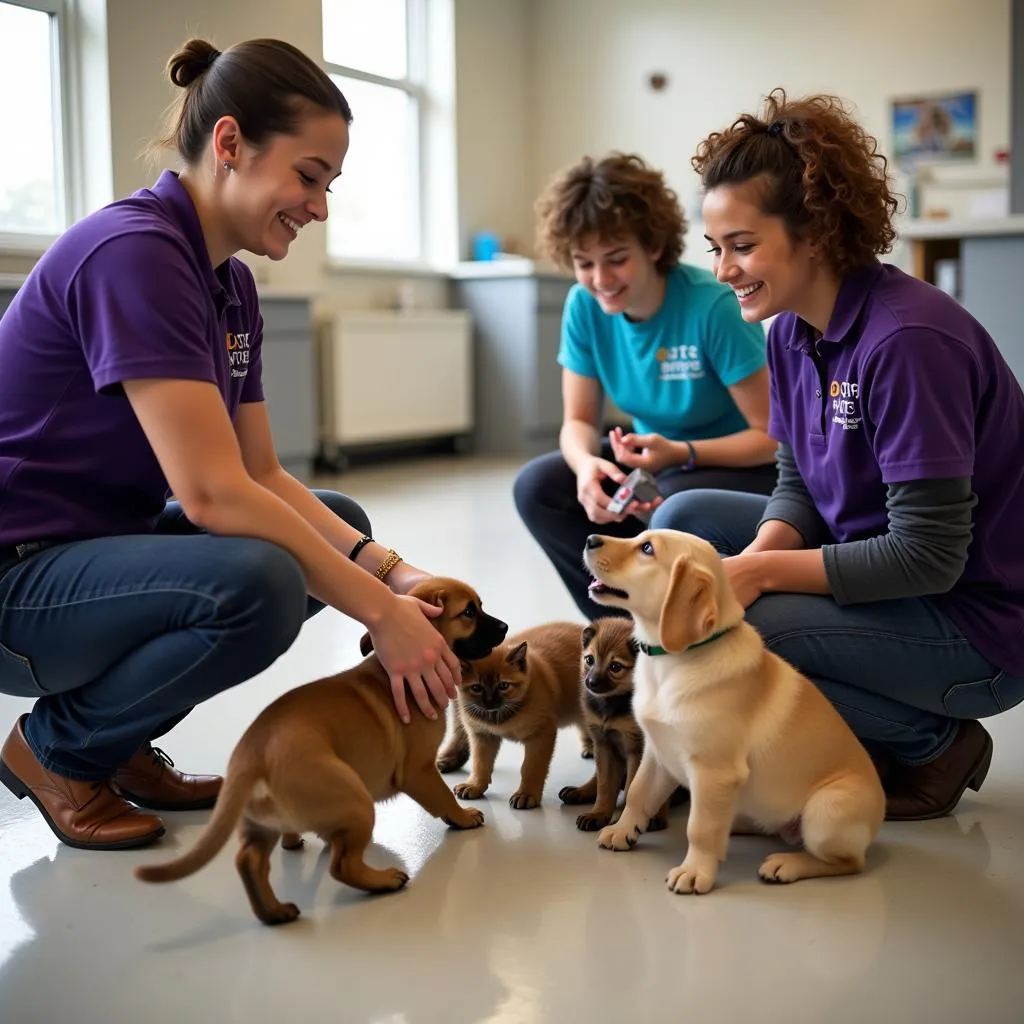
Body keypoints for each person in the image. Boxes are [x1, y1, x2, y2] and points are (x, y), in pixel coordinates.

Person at [0, 37, 462, 852]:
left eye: (329, 185)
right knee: (256, 582)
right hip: (19, 580)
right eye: (309, 176)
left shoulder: (229, 280)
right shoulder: (134, 253)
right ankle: (58, 753)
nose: (319, 206)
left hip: (94, 555)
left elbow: (259, 473)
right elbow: (214, 495)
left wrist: (390, 571)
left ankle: (118, 744)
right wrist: (383, 615)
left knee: (334, 517)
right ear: (229, 145)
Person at [651, 88, 1024, 820]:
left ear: (817, 231)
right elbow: (797, 479)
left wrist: (755, 576)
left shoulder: (909, 343)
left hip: (975, 628)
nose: (723, 270)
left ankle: (932, 742)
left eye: (743, 245)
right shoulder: (789, 329)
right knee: (686, 513)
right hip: (894, 579)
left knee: (749, 631)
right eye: (715, 248)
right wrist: (759, 552)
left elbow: (927, 557)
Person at [513, 153, 778, 620]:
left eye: (616, 260)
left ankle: (679, 629)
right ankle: (620, 631)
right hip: (655, 459)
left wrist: (682, 453)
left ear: (653, 246)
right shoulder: (584, 306)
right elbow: (577, 421)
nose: (600, 280)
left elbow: (772, 438)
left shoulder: (713, 307)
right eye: (584, 263)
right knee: (538, 486)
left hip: (735, 465)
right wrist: (586, 466)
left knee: (672, 501)